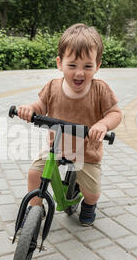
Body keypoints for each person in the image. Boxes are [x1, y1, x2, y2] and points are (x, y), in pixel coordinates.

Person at [17, 23, 122, 226]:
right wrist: (30, 109)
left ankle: (89, 205)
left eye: (87, 66)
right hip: (56, 147)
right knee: (34, 173)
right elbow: (41, 105)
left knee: (91, 193)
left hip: (86, 152)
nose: (79, 73)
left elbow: (115, 113)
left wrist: (103, 124)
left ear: (98, 65)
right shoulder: (52, 87)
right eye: (72, 65)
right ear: (60, 63)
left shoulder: (100, 90)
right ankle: (34, 212)